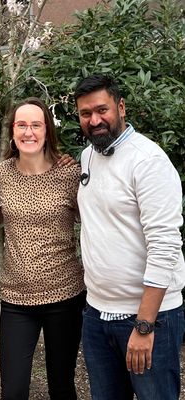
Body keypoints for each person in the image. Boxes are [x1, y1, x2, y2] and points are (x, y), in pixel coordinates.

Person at [75, 73, 185, 400]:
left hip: (149, 319)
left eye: (102, 110)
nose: (94, 120)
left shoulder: (147, 161)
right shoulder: (87, 157)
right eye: (85, 113)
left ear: (120, 107)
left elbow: (165, 246)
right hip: (96, 315)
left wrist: (144, 325)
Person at [0, 97, 85, 400]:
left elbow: (98, 221)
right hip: (16, 299)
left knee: (62, 385)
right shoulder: (0, 175)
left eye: (36, 125)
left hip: (65, 296)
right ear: (13, 131)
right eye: (21, 125)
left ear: (47, 131)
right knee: (13, 390)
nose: (28, 132)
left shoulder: (70, 174)